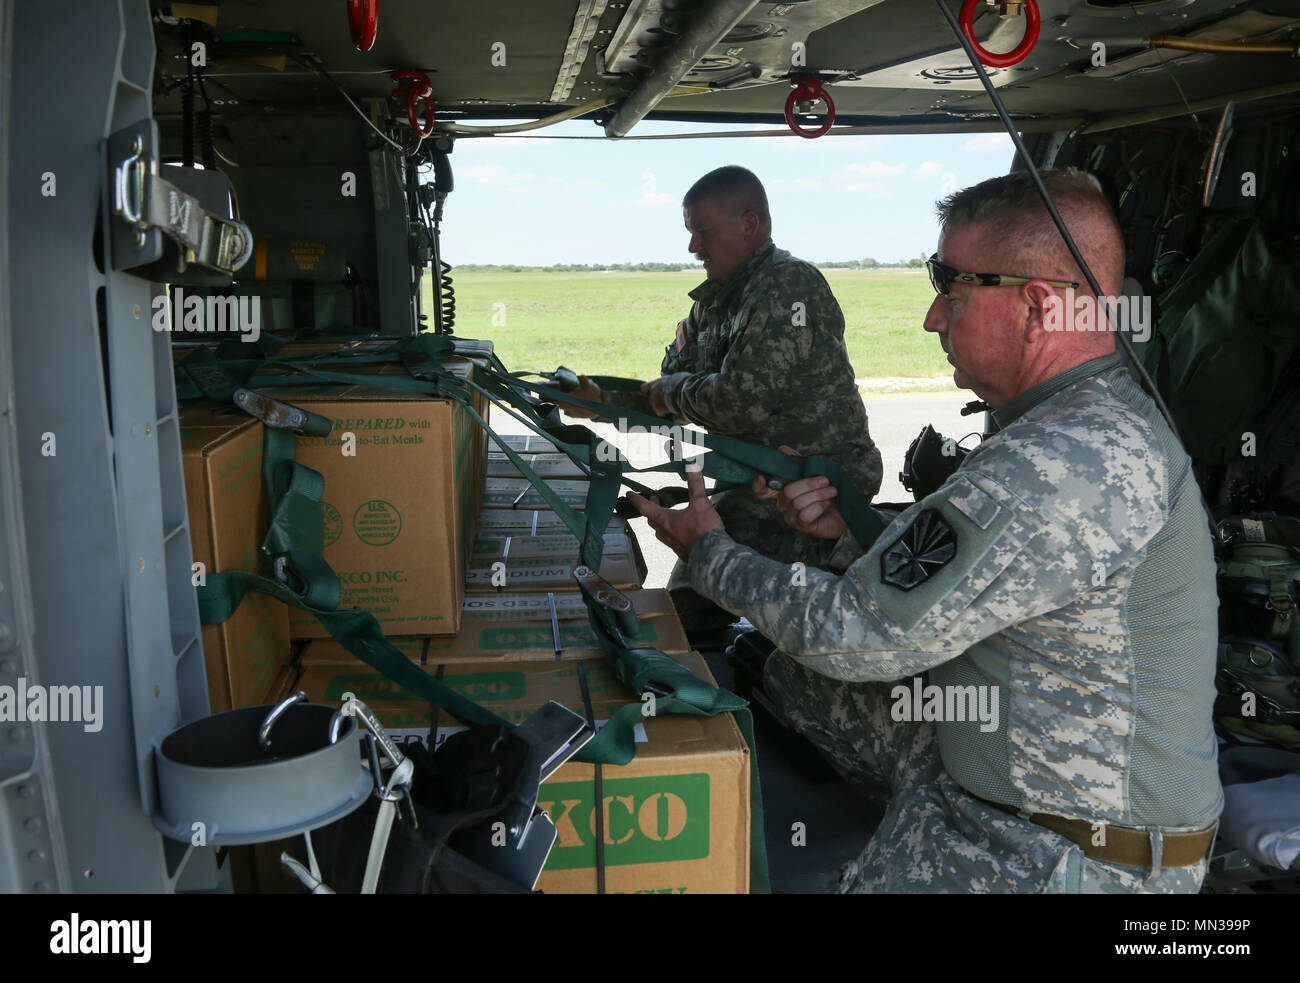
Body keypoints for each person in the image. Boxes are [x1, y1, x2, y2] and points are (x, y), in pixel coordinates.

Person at [629, 168, 1223, 893]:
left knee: (818, 658)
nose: (933, 319)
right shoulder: (1071, 420)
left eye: (953, 289)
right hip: (1016, 779)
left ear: (1038, 306)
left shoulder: (1062, 460)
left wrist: (708, 550)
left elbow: (857, 633)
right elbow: (963, 575)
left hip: (1065, 856)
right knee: (788, 673)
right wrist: (841, 534)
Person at [562, 165, 882, 632]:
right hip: (756, 487)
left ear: (749, 225)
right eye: (691, 234)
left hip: (811, 493)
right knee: (685, 606)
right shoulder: (714, 302)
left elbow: (737, 402)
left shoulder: (788, 287)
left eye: (702, 232)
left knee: (694, 613)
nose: (694, 247)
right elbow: (667, 390)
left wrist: (668, 393)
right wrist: (602, 400)